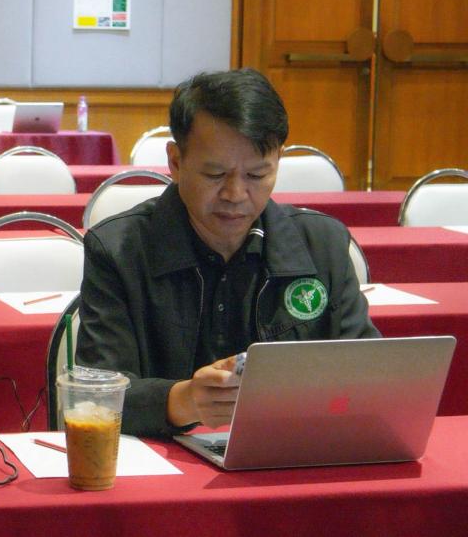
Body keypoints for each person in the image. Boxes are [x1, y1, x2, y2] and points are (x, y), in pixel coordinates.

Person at [76, 68, 380, 439]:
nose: (235, 194)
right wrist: (182, 400)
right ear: (176, 161)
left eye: (257, 176)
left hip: (294, 449)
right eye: (215, 174)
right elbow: (93, 394)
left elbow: (370, 373)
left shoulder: (322, 244)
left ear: (278, 161)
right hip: (161, 458)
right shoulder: (119, 250)